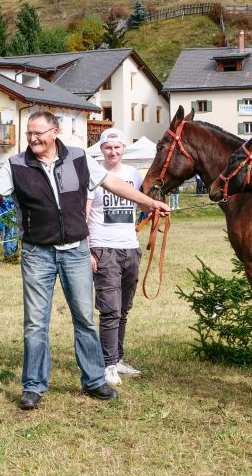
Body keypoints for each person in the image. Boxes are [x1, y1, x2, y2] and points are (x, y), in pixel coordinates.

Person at [0, 111, 170, 411]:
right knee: (36, 323)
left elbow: (114, 184)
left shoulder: (78, 158)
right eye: (29, 134)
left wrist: (149, 202)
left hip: (76, 250)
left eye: (39, 133)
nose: (33, 138)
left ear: (55, 131)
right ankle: (34, 386)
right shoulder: (16, 164)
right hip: (37, 253)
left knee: (85, 319)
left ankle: (93, 380)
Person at [85, 128, 144, 387]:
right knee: (109, 308)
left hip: (130, 247)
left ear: (123, 149)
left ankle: (117, 358)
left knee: (124, 308)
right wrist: (87, 250)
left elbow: (143, 204)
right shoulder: (94, 174)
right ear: (101, 150)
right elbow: (83, 214)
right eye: (108, 147)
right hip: (103, 247)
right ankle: (107, 365)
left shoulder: (134, 176)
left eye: (117, 147)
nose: (113, 151)